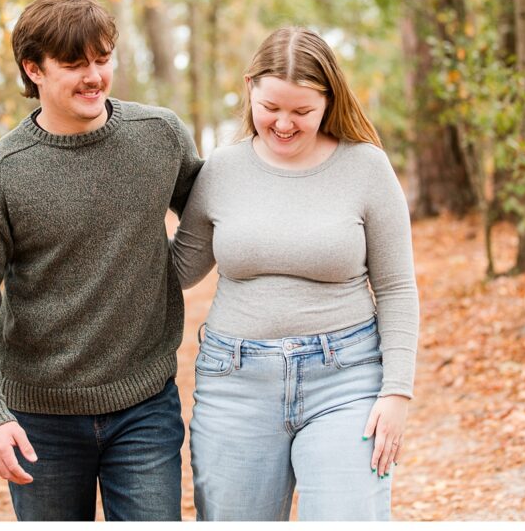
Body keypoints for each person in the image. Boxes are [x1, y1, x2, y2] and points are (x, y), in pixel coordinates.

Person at [0, 0, 203, 521]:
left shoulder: (158, 136)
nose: (94, 76)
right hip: (40, 419)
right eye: (73, 64)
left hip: (145, 405)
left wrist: (173, 270)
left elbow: (214, 212)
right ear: (33, 69)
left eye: (102, 59)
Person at [171, 26, 419, 521]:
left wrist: (396, 391)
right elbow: (178, 271)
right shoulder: (221, 170)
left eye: (301, 111)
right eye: (271, 108)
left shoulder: (366, 168)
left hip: (346, 380)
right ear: (249, 89)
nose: (283, 124)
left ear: (329, 101)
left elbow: (396, 287)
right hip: (234, 382)